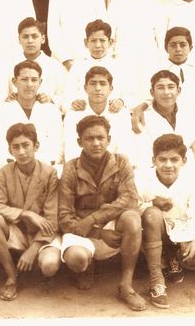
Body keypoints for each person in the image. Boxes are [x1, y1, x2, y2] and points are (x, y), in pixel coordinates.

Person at [58, 116, 145, 311]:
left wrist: (95, 219)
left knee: (132, 217)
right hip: (82, 229)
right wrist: (97, 232)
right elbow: (64, 217)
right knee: (77, 259)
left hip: (109, 223)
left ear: (109, 139)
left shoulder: (121, 162)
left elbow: (129, 199)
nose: (96, 143)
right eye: (89, 138)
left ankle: (126, 285)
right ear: (79, 141)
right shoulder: (71, 168)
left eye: (101, 137)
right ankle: (86, 267)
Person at [0, 123, 61, 301]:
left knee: (49, 266)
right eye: (15, 147)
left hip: (44, 234)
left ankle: (36, 266)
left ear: (36, 146)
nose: (21, 152)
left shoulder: (50, 173)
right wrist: (25, 213)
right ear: (10, 150)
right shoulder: (6, 172)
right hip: (18, 232)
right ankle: (12, 275)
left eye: (26, 145)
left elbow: (52, 218)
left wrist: (33, 249)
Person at [135, 133, 195, 309]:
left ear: (184, 160)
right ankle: (156, 279)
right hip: (154, 232)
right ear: (154, 159)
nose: (168, 165)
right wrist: (152, 203)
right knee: (152, 214)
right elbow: (131, 206)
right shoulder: (141, 177)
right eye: (162, 159)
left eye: (174, 159)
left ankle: (171, 257)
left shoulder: (193, 179)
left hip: (183, 231)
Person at [0, 60, 63, 165]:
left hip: (44, 170)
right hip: (10, 170)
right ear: (14, 81)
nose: (29, 84)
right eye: (24, 79)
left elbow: (57, 149)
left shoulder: (52, 111)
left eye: (34, 80)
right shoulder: (0, 111)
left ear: (40, 82)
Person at [129, 70, 195, 169]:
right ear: (152, 92)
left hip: (186, 170)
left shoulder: (192, 115)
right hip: (152, 173)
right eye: (160, 88)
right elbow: (140, 155)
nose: (166, 92)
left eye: (171, 87)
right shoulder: (141, 118)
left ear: (178, 91)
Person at [63, 66, 132, 162]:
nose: (98, 88)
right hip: (82, 168)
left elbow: (124, 150)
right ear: (85, 88)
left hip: (113, 168)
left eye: (103, 84)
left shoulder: (121, 113)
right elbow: (71, 151)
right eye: (93, 83)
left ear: (111, 89)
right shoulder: (74, 114)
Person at [62, 19, 131, 112]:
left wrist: (121, 101)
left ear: (110, 42)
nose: (98, 45)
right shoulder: (78, 67)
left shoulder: (120, 67)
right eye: (93, 41)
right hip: (85, 115)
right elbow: (66, 99)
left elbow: (132, 97)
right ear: (86, 43)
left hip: (112, 114)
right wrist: (73, 103)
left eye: (102, 40)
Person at [107, 0, 165, 66]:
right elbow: (110, 38)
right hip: (122, 60)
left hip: (149, 61)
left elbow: (161, 42)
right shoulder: (116, 5)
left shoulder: (155, 7)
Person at [6, 18, 67, 107]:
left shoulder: (55, 66)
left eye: (34, 36)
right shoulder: (9, 65)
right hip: (16, 113)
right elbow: (1, 94)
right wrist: (9, 98)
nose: (30, 41)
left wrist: (50, 99)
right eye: (25, 36)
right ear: (19, 39)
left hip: (46, 113)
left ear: (43, 39)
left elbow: (65, 97)